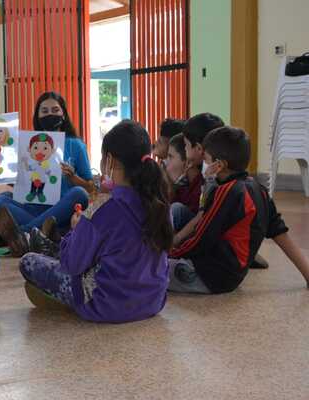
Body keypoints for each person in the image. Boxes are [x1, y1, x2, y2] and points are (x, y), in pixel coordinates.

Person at [19, 120, 174, 323]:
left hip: (107, 305)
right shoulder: (161, 204)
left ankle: (52, 255)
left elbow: (72, 264)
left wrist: (78, 226)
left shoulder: (105, 208)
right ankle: (51, 244)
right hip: (153, 301)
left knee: (29, 261)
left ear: (110, 160)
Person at [169, 126, 309, 293]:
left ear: (219, 165)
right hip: (231, 277)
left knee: (147, 270)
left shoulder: (226, 192)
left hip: (206, 274)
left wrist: (170, 253)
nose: (204, 165)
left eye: (206, 159)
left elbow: (202, 238)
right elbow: (281, 234)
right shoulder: (259, 189)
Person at [0, 92, 93, 256]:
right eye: (44, 111)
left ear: (64, 114)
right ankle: (41, 234)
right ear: (37, 116)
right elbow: (17, 184)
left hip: (60, 211)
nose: (50, 114)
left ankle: (23, 234)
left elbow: (90, 187)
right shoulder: (27, 145)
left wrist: (73, 177)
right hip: (32, 209)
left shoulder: (76, 145)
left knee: (79, 193)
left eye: (55, 110)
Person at [172, 113, 224, 238]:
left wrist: (174, 242)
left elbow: (202, 217)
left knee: (176, 210)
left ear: (199, 149)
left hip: (208, 234)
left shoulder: (212, 177)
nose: (185, 149)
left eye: (186, 145)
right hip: (200, 228)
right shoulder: (202, 170)